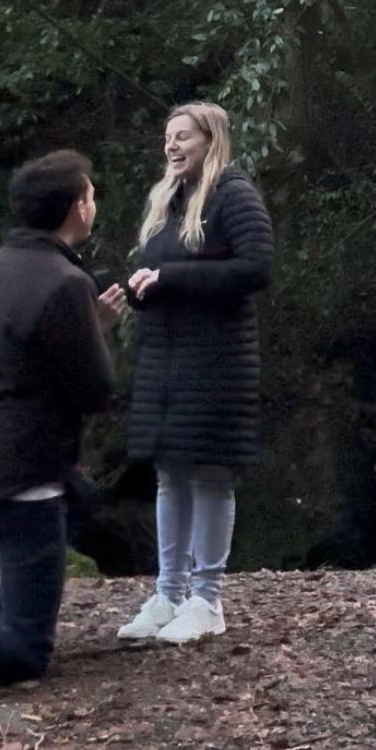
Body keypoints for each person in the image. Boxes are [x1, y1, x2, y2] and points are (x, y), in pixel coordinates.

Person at [0, 150, 122, 683]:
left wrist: (88, 325)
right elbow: (95, 390)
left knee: (81, 499)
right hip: (24, 476)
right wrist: (99, 329)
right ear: (77, 208)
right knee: (25, 650)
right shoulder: (64, 282)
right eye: (90, 194)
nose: (93, 203)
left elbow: (8, 359)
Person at [117, 102, 273, 644]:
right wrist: (141, 288)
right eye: (167, 137)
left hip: (219, 360)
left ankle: (207, 600)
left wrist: (172, 278)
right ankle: (169, 592)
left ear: (212, 141)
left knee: (209, 472)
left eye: (183, 136)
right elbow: (166, 276)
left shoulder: (233, 193)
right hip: (164, 361)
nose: (172, 145)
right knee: (168, 471)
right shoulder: (167, 201)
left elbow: (256, 268)